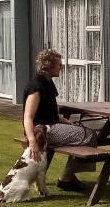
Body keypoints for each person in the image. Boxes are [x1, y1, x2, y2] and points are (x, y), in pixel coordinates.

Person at [23, 48, 98, 193]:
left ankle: (68, 177)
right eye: (59, 64)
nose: (61, 67)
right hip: (43, 132)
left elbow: (49, 112)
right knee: (90, 135)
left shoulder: (48, 82)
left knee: (80, 132)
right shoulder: (37, 86)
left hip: (51, 126)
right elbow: (28, 117)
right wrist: (32, 141)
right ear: (48, 66)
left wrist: (65, 121)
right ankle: (67, 177)